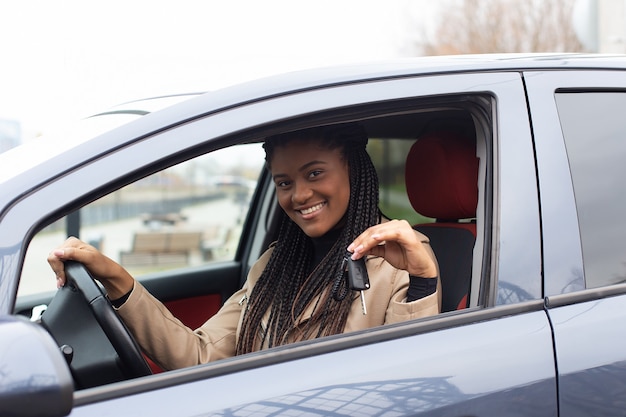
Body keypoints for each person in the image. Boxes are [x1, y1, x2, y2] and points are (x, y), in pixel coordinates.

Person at [48, 122, 441, 371]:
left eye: (315, 173)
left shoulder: (401, 257)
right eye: (284, 182)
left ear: (354, 170)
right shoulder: (275, 263)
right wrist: (116, 278)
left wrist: (423, 281)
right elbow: (200, 356)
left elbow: (409, 377)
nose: (300, 195)